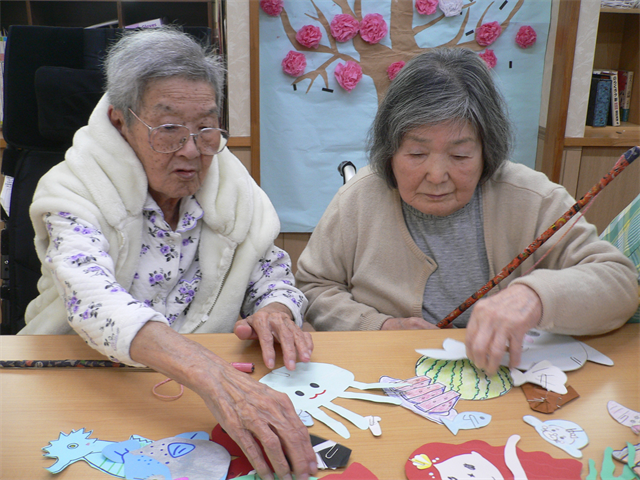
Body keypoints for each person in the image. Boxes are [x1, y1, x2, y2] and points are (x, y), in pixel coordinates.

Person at [19, 27, 317, 480]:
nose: (193, 151)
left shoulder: (232, 185)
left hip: (194, 397)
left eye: (206, 128)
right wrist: (215, 377)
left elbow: (270, 270)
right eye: (170, 129)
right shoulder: (72, 189)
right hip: (87, 378)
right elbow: (93, 301)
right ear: (121, 122)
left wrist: (275, 307)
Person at [295, 47, 638, 376]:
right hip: (385, 374)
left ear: (488, 151)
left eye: (460, 156)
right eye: (416, 153)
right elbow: (314, 287)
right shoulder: (359, 198)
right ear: (389, 151)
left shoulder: (530, 197)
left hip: (503, 379)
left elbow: (620, 284)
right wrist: (380, 325)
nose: (436, 175)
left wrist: (534, 296)